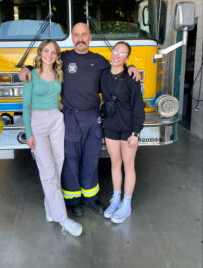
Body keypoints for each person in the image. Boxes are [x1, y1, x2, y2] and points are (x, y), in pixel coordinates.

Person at [19, 23, 140, 218]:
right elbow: (45, 61)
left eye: (84, 34)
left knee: (91, 158)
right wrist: (27, 67)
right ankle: (73, 200)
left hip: (93, 116)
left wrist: (131, 66)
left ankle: (91, 198)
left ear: (90, 37)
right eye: (76, 35)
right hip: (70, 116)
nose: (80, 38)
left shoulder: (100, 61)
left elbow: (118, 68)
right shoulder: (64, 57)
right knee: (71, 159)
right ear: (72, 37)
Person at [23, 39, 82, 237]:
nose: (49, 55)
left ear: (57, 56)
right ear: (40, 53)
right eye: (46, 51)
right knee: (47, 171)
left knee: (57, 166)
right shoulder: (31, 75)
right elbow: (25, 106)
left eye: (53, 52)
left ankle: (50, 207)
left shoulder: (58, 74)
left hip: (57, 120)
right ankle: (63, 218)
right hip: (38, 123)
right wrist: (29, 133)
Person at [100, 41, 145, 224]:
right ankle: (116, 199)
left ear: (127, 58)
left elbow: (138, 107)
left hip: (128, 129)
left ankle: (126, 204)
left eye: (122, 53)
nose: (117, 55)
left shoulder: (131, 78)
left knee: (128, 165)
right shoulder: (102, 75)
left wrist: (136, 133)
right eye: (115, 51)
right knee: (115, 163)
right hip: (110, 126)